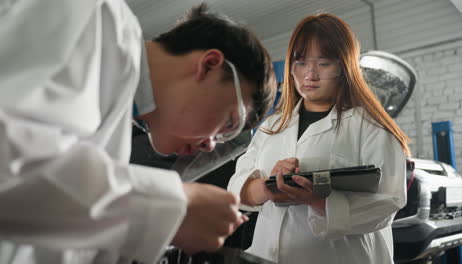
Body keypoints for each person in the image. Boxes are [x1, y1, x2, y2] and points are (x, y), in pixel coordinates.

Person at [0, 1, 276, 264]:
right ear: (209, 65)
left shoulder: (118, 118)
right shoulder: (93, 15)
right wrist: (174, 207)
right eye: (229, 124)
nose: (210, 146)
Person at [227, 13, 410, 264]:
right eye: (300, 62)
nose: (310, 74)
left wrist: (318, 202)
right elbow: (237, 188)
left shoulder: (370, 127)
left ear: (344, 68)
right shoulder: (272, 126)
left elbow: (389, 202)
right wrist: (268, 187)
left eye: (323, 63)